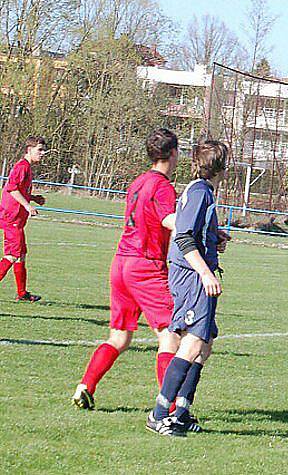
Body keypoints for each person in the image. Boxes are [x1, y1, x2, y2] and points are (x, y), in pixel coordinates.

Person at [72, 129, 180, 410]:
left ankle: (86, 386)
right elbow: (170, 220)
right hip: (145, 265)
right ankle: (168, 409)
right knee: (170, 335)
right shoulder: (162, 186)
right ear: (172, 153)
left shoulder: (138, 182)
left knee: (119, 337)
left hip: (121, 261)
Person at [146, 140, 230, 437]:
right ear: (221, 167)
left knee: (204, 346)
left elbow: (192, 230)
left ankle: (181, 412)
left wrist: (214, 237)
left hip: (193, 272)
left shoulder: (201, 190)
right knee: (192, 342)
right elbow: (183, 237)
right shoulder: (198, 192)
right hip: (192, 276)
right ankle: (160, 414)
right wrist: (206, 273)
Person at [0, 136, 47, 302]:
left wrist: (33, 198)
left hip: (17, 220)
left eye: (43, 150)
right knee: (12, 255)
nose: (43, 153)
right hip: (12, 217)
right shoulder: (22, 167)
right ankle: (22, 293)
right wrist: (27, 205)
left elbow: (19, 189)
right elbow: (12, 189)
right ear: (29, 149)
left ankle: (22, 293)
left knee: (21, 255)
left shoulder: (27, 167)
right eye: (39, 150)